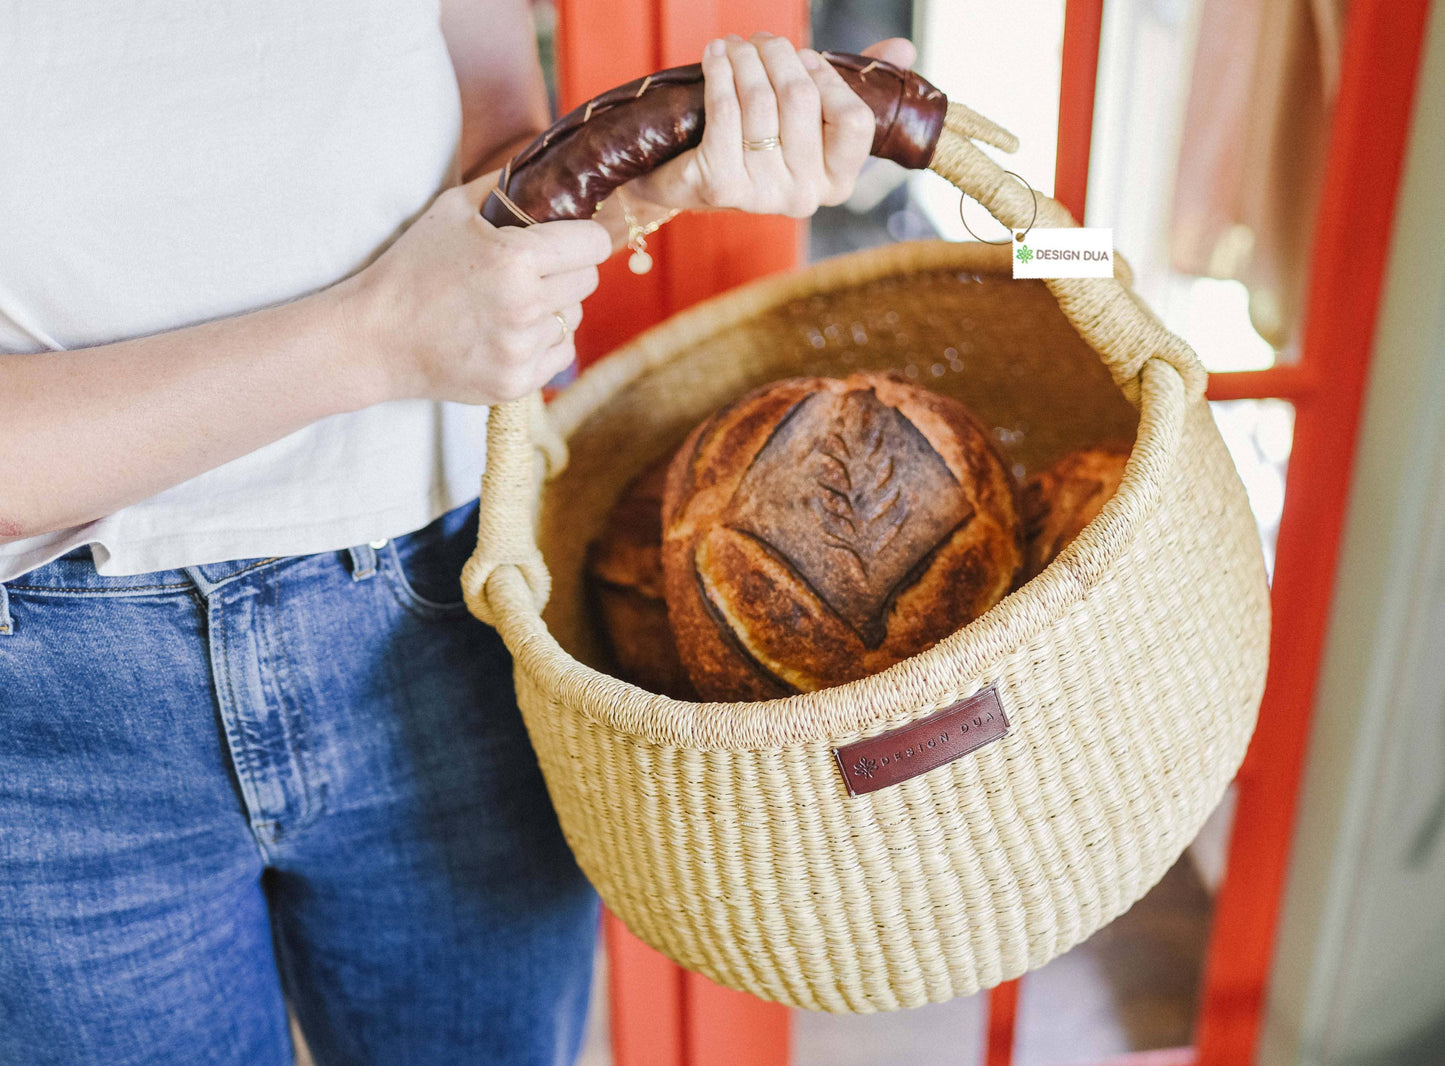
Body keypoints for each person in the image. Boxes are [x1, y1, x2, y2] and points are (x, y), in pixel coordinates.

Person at [0, 4, 913, 1064]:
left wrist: (663, 176)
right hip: (56, 716)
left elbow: (499, 184)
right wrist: (374, 338)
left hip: (448, 606)